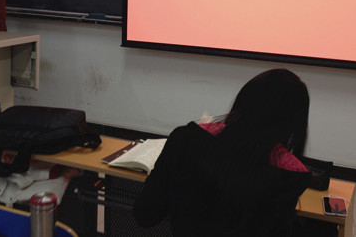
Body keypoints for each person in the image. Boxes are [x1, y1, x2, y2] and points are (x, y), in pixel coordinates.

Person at [133, 68, 313, 237]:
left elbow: (145, 215)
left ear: (242, 102)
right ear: (295, 124)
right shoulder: (291, 175)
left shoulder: (186, 139)